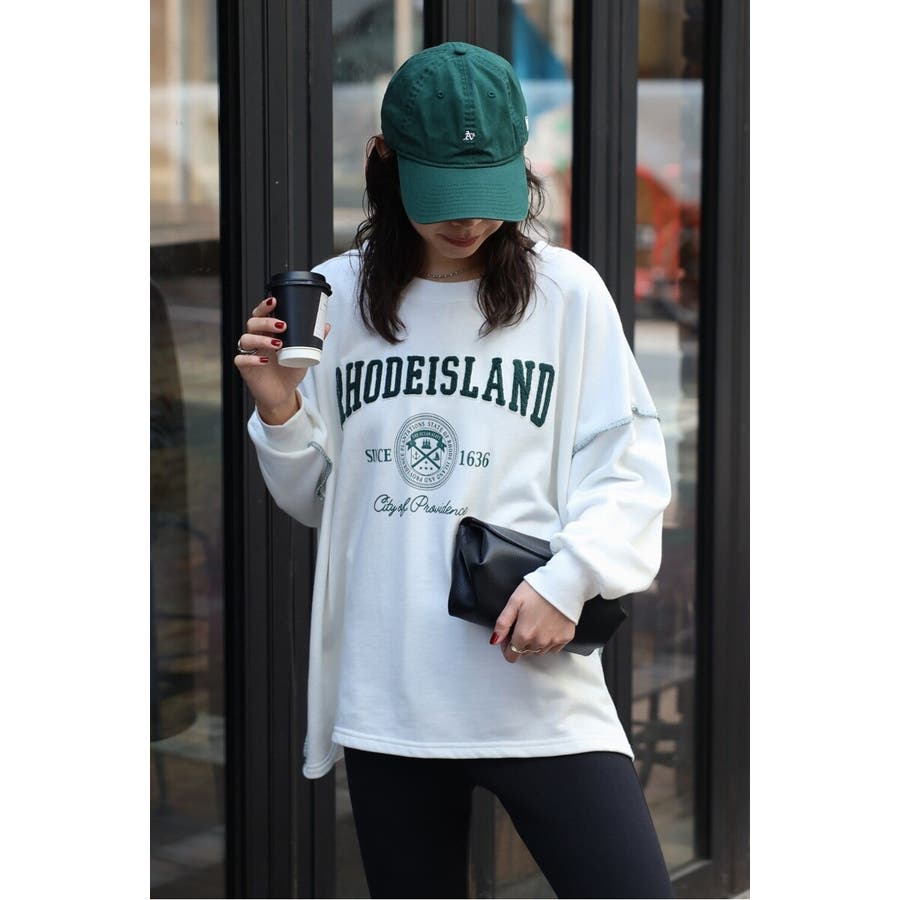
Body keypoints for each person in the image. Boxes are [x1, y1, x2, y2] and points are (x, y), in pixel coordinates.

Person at [235, 41, 674, 900]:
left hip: (533, 681)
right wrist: (280, 409)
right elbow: (325, 502)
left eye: (486, 192)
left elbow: (628, 467)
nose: (467, 221)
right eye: (442, 192)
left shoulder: (566, 293)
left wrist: (568, 581)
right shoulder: (333, 298)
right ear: (385, 163)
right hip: (392, 691)